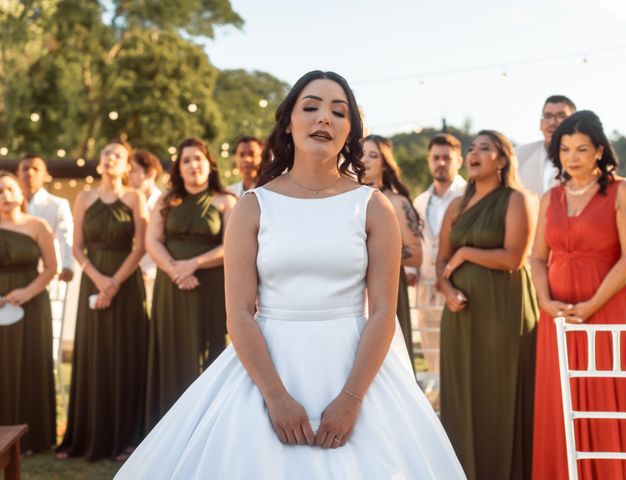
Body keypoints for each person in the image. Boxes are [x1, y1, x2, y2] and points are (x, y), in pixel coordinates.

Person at [115, 70, 465, 479]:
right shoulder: (253, 205)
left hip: (356, 365)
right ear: (288, 122)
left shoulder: (373, 207)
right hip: (266, 364)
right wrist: (275, 397)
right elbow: (240, 313)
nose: (324, 118)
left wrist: (352, 399)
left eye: (339, 111)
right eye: (311, 107)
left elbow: (384, 311)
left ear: (350, 130)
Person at [531, 111, 626, 480]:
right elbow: (536, 258)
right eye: (564, 150)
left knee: (607, 393)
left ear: (598, 151)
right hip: (557, 318)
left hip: (606, 309)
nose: (571, 157)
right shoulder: (550, 197)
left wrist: (592, 305)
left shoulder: (623, 189)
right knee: (560, 400)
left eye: (581, 149)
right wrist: (545, 303)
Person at [437, 130, 538, 480]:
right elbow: (441, 261)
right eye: (471, 149)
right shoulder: (455, 205)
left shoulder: (515, 200)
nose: (474, 154)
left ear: (502, 159)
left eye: (485, 148)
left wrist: (466, 252)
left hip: (504, 312)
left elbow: (514, 257)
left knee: (501, 395)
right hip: (460, 316)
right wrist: (447, 289)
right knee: (463, 397)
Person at [58, 140, 149, 461]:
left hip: (126, 283)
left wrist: (114, 284)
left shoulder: (135, 197)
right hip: (92, 280)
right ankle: (85, 436)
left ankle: (128, 438)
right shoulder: (84, 197)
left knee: (126, 354)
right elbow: (77, 247)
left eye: (117, 156)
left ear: (126, 166)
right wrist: (99, 280)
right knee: (94, 353)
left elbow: (141, 246)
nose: (110, 158)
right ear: (99, 163)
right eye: (106, 154)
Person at [144, 137, 236, 431]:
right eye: (186, 160)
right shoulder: (166, 200)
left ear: (210, 164)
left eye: (198, 158)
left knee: (210, 349)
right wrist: (175, 270)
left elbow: (231, 246)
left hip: (210, 285)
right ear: (178, 168)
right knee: (172, 349)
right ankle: (168, 426)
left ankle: (208, 426)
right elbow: (152, 241)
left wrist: (193, 264)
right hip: (171, 287)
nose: (193, 165)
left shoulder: (226, 201)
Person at [0, 171, 57, 453]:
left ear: (21, 194)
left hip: (32, 302)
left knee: (31, 363)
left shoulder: (38, 226)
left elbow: (50, 267)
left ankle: (34, 437)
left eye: (10, 189)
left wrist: (26, 292)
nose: (5, 195)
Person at [408, 133, 466, 402]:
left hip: (458, 285)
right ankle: (439, 411)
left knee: (459, 353)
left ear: (459, 161)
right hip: (425, 287)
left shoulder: (468, 196)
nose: (441, 163)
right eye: (436, 158)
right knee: (431, 354)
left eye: (447, 158)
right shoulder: (420, 201)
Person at [362, 134, 422, 370]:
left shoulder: (396, 202)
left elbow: (418, 255)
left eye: (373, 155)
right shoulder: (347, 199)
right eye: (361, 154)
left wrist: (376, 253)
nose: (364, 159)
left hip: (387, 287)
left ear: (385, 163)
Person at [17, 155, 74, 282]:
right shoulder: (8, 206)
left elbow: (65, 237)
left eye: (35, 169)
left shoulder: (58, 205)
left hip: (48, 273)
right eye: (25, 169)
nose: (30, 173)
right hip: (15, 271)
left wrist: (67, 265)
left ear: (45, 174)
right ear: (18, 173)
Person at [516, 95, 576, 199]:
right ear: (540, 124)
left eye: (561, 116)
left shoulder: (586, 158)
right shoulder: (518, 156)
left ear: (575, 122)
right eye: (547, 116)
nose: (552, 122)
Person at [128, 150, 164, 298]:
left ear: (150, 174)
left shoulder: (163, 205)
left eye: (134, 171)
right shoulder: (128, 201)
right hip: (128, 275)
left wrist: (149, 271)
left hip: (153, 277)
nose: (129, 176)